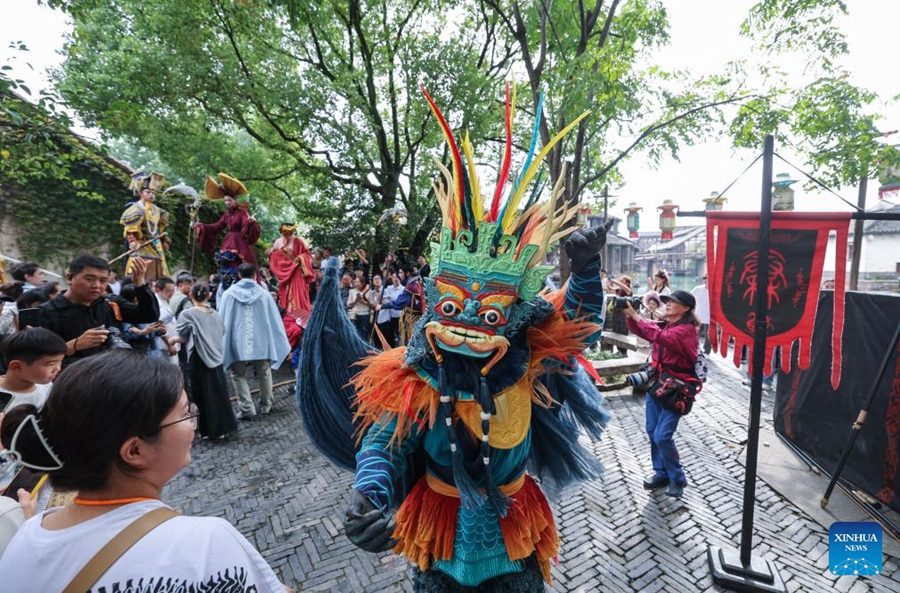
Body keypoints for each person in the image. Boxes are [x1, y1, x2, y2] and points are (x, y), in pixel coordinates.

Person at [0, 351, 292, 592]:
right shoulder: (202, 543)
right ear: (135, 451)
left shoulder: (25, 539)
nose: (193, 422)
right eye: (184, 413)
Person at [624, 289, 700, 498]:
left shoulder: (686, 330)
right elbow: (643, 330)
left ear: (686, 308)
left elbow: (660, 336)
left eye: (673, 302)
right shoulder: (668, 324)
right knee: (652, 431)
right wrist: (629, 313)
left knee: (663, 436)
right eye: (667, 301)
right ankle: (661, 473)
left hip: (676, 390)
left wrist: (636, 316)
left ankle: (678, 478)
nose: (667, 304)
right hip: (657, 384)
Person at [39, 255, 159, 365]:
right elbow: (37, 357)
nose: (97, 285)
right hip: (74, 380)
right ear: (70, 278)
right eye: (89, 279)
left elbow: (149, 315)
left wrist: (140, 285)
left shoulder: (110, 303)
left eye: (103, 281)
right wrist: (74, 345)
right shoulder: (46, 312)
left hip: (114, 375)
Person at [218, 264, 291, 419]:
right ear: (254, 275)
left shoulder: (229, 294)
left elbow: (223, 319)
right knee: (264, 372)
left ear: (239, 275)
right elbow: (273, 319)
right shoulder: (264, 295)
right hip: (260, 340)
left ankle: (246, 409)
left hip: (236, 341)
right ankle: (266, 404)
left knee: (238, 374)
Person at [170, 283, 237, 440]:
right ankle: (224, 427)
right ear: (208, 296)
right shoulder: (214, 313)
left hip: (199, 358)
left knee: (203, 393)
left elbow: (183, 337)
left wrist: (172, 340)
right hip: (216, 356)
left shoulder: (187, 314)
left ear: (191, 296)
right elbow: (222, 331)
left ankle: (209, 429)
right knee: (219, 392)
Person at [194, 173, 261, 289]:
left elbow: (246, 227)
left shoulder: (242, 213)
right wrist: (202, 226)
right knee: (226, 270)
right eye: (225, 201)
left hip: (240, 244)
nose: (227, 203)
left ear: (235, 200)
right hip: (228, 243)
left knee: (240, 267)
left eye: (229, 200)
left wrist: (251, 223)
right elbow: (216, 227)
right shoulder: (226, 215)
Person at [0, 328, 65, 411]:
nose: (58, 369)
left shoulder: (47, 387)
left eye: (60, 361)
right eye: (51, 364)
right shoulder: (3, 398)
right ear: (17, 366)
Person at [120, 172, 170, 280]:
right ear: (141, 193)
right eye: (148, 192)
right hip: (141, 245)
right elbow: (130, 231)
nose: (152, 195)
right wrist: (133, 241)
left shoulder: (158, 210)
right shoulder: (135, 210)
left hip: (156, 246)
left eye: (153, 193)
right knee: (140, 272)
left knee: (157, 276)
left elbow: (158, 229)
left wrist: (164, 240)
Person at [266, 223, 315, 319]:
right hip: (284, 273)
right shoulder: (278, 242)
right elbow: (270, 254)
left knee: (298, 294)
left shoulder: (298, 241)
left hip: (296, 272)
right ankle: (286, 316)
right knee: (285, 294)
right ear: (281, 232)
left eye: (289, 233)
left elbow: (307, 254)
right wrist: (273, 252)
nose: (287, 235)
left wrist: (300, 258)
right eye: (285, 233)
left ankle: (299, 316)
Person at [375, 272, 404, 347]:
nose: (395, 279)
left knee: (400, 334)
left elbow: (399, 303)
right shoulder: (388, 288)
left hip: (400, 315)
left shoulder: (403, 289)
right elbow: (386, 300)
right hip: (390, 316)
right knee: (390, 335)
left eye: (397, 277)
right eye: (394, 277)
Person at [346, 277, 373, 342]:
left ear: (362, 283)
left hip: (365, 315)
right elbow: (348, 304)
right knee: (355, 333)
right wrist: (355, 301)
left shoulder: (369, 291)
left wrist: (363, 302)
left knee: (363, 334)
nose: (356, 283)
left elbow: (372, 304)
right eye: (355, 282)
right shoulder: (351, 291)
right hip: (354, 315)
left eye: (358, 282)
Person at [691, 273, 712, 355]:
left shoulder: (714, 290)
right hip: (698, 315)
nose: (706, 280)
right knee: (695, 333)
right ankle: (694, 348)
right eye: (705, 278)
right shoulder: (698, 289)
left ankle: (707, 350)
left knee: (709, 335)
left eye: (708, 278)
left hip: (710, 316)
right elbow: (690, 296)